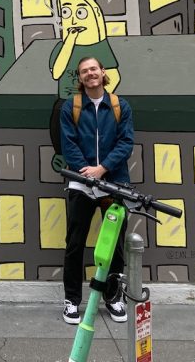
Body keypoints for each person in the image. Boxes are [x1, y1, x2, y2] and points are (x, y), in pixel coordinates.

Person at [60, 56, 134, 326]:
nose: (90, 74)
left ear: (103, 73)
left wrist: (102, 169)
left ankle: (113, 297)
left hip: (113, 185)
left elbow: (126, 143)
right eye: (84, 71)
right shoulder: (72, 107)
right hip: (81, 184)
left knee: (113, 245)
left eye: (94, 69)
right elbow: (67, 144)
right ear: (80, 79)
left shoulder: (119, 106)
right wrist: (87, 172)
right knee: (75, 245)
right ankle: (71, 300)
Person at [49, 0, 121, 99]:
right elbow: (56, 74)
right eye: (65, 12)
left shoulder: (99, 47)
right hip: (66, 101)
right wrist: (69, 42)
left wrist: (96, 98)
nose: (73, 21)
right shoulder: (61, 47)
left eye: (80, 13)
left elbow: (114, 76)